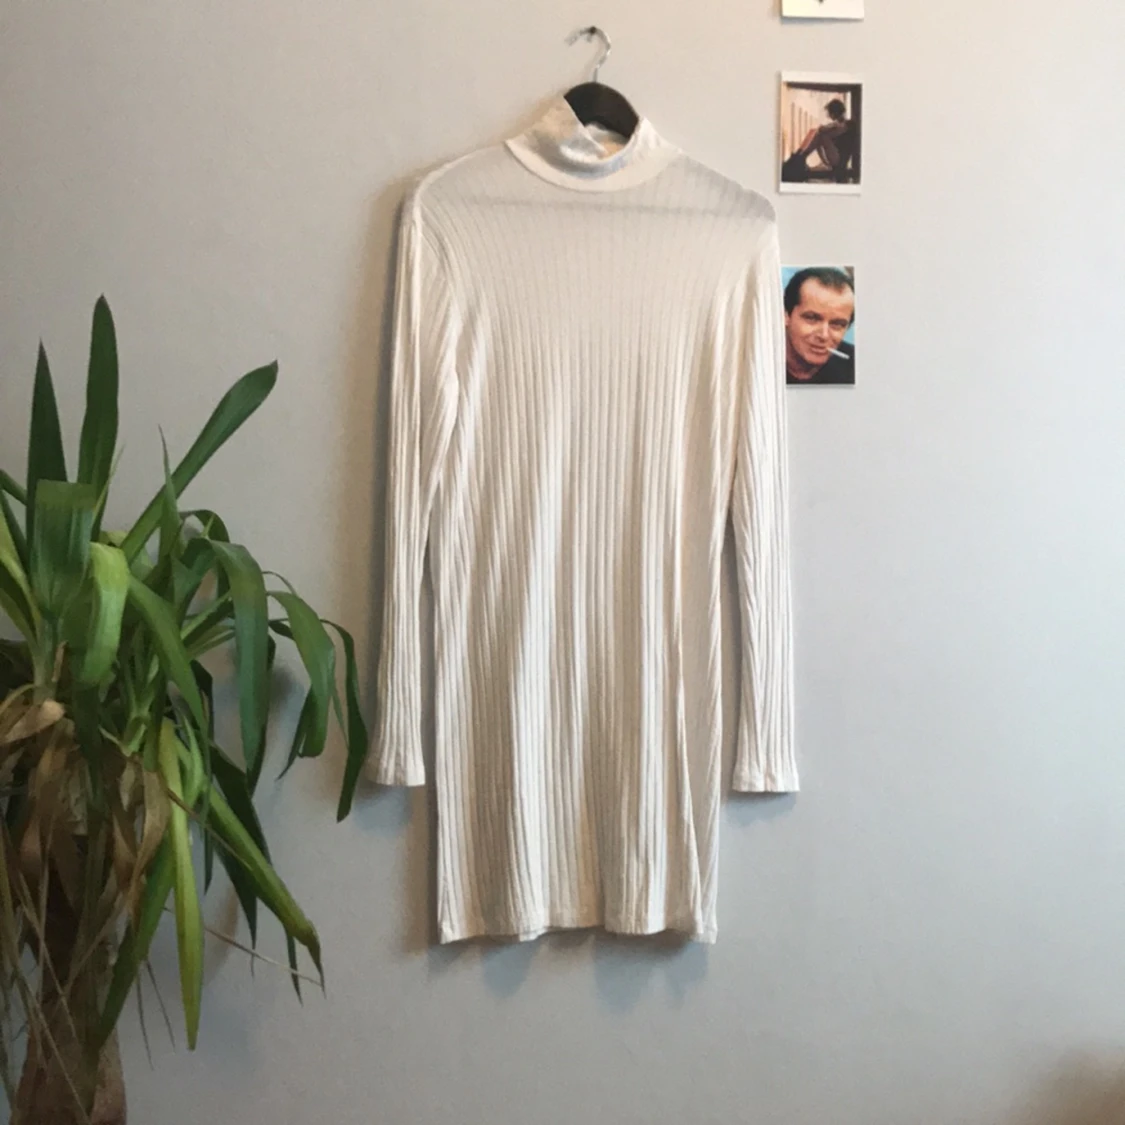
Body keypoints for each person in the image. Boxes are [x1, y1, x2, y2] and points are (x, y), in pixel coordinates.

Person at [784, 268, 856, 385]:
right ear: (786, 315)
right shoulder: (760, 360)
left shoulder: (855, 366)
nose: (824, 335)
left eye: (837, 324)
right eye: (812, 318)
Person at [782, 98, 857, 184]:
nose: (830, 116)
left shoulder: (848, 124)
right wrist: (825, 161)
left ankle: (801, 157)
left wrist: (826, 128)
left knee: (822, 135)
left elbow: (833, 132)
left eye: (830, 113)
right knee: (820, 135)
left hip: (841, 161)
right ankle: (801, 157)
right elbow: (821, 136)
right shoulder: (837, 124)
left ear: (834, 113)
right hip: (835, 157)